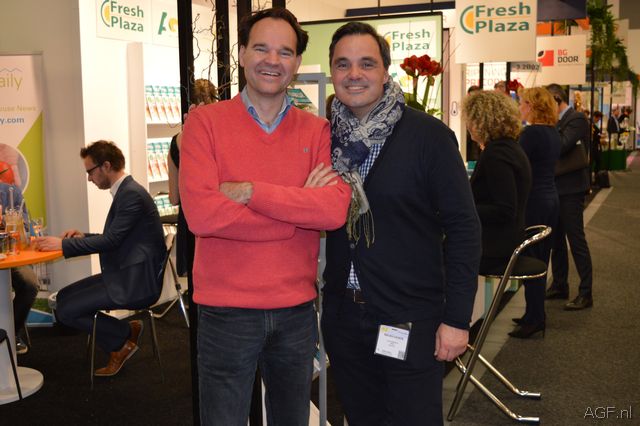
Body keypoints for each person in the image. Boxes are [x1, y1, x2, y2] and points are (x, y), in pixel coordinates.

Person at [178, 8, 351, 425]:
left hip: (296, 311)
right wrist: (296, 209)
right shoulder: (204, 124)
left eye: (285, 52)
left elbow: (332, 210)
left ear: (297, 62)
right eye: (261, 48)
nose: (272, 60)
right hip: (225, 311)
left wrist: (250, 192)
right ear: (241, 54)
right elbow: (202, 216)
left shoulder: (317, 131)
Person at [321, 22, 481, 425]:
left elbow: (464, 228)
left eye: (366, 63)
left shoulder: (428, 137)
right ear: (332, 72)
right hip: (344, 317)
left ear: (385, 71)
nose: (354, 74)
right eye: (342, 64)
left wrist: (457, 319)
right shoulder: (324, 140)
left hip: (408, 316)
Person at [35, 140, 165, 376]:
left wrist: (64, 245)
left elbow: (111, 241)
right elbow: (115, 238)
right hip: (125, 273)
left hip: (134, 282)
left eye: (90, 171)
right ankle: (126, 332)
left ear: (106, 166)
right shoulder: (127, 191)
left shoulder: (131, 195)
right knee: (62, 298)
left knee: (66, 311)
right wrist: (82, 236)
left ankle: (121, 342)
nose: (89, 178)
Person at [464, 91, 532, 277]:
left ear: (482, 121)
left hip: (494, 247)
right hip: (506, 241)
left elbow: (504, 209)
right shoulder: (509, 148)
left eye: (470, 119)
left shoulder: (496, 154)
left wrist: (462, 208)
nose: (468, 125)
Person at [510, 87, 561, 338]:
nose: (519, 107)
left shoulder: (530, 134)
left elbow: (518, 166)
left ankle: (535, 318)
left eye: (522, 102)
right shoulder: (553, 133)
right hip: (550, 199)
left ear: (532, 106)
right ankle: (533, 314)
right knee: (541, 259)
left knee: (532, 260)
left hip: (534, 202)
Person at [545, 83, 594, 310]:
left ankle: (586, 292)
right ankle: (560, 284)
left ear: (556, 99)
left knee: (576, 240)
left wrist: (546, 127)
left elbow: (562, 145)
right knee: (556, 241)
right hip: (556, 186)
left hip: (572, 189)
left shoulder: (577, 119)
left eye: (547, 102)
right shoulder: (558, 121)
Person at [167, 78, 218, 277]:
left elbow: (174, 198)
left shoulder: (176, 142)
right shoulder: (220, 136)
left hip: (189, 220)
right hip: (217, 220)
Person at [0, 183, 39, 354]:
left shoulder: (10, 192)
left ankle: (11, 334)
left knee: (30, 284)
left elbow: (26, 227)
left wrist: (5, 219)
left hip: (11, 254)